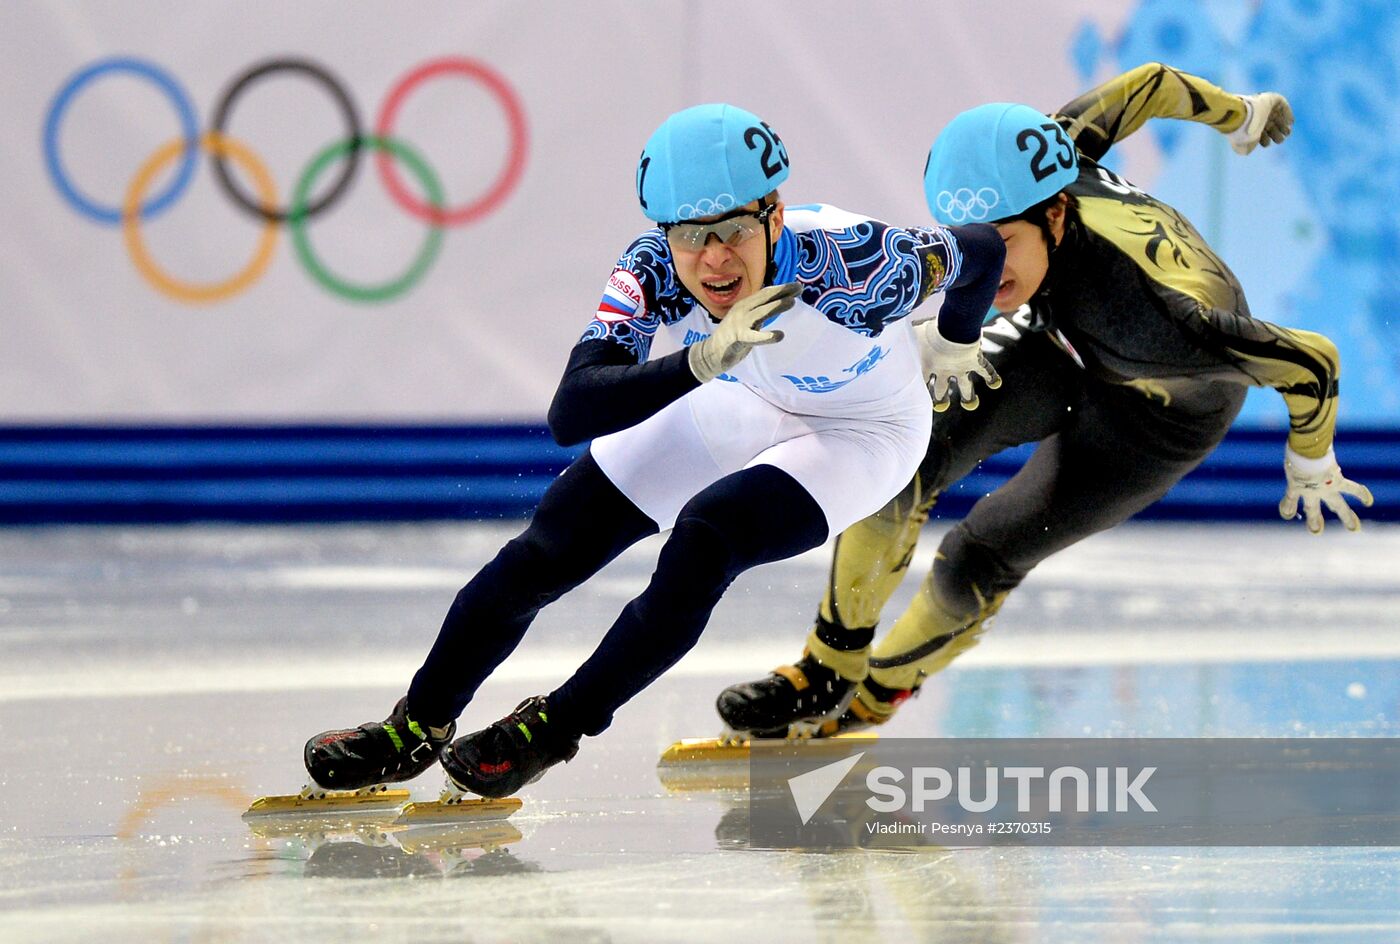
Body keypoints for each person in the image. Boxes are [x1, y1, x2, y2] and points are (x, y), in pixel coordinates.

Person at [301, 103, 1005, 797]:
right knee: (550, 545)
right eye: (692, 236)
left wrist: (958, 335)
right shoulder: (654, 265)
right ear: (665, 234)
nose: (715, 258)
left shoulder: (859, 262)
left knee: (707, 539)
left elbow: (982, 249)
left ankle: (556, 728)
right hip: (743, 393)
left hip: (866, 427)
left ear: (776, 216)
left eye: (734, 230)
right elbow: (572, 411)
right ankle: (415, 727)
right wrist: (700, 362)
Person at [716, 63, 1375, 740]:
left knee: (982, 554)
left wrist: (1311, 459)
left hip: (1152, 420)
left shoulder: (1159, 320)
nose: (980, 270)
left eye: (999, 247)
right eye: (965, 246)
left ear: (1055, 217)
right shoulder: (1048, 160)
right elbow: (1146, 84)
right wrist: (1239, 114)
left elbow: (1309, 360)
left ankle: (878, 694)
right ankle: (828, 667)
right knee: (904, 454)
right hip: (1057, 337)